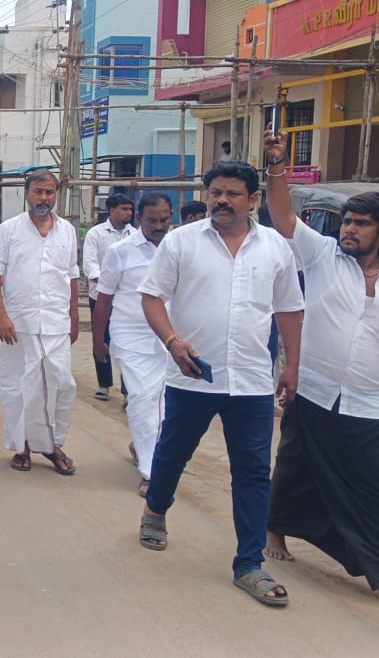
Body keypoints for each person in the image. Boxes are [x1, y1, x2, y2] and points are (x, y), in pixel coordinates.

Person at [258, 133, 379, 606]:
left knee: (376, 487)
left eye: (362, 224)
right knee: (296, 466)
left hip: (368, 401)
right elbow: (282, 216)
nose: (350, 230)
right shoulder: (321, 255)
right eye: (348, 222)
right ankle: (274, 528)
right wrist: (277, 167)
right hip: (314, 390)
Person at [135, 160, 304, 608]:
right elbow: (151, 297)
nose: (222, 201)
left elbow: (289, 309)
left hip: (251, 380)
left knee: (252, 471)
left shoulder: (275, 248)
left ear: (253, 200)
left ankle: (249, 563)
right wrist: (172, 342)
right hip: (192, 374)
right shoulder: (181, 242)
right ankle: (156, 507)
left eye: (233, 194)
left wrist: (292, 365)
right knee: (173, 452)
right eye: (216, 193)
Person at [0, 170, 80, 475]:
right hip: (18, 322)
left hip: (56, 321)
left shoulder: (67, 231)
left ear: (56, 194)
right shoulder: (8, 230)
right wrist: (0, 316)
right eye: (38, 191)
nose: (44, 198)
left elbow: (72, 276)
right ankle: (23, 446)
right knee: (19, 386)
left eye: (49, 192)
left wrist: (74, 317)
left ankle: (51, 444)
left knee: (61, 383)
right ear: (26, 193)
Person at [92, 194, 173, 497]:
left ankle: (146, 448)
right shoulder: (120, 251)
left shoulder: (178, 247)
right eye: (152, 220)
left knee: (164, 407)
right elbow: (104, 299)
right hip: (131, 336)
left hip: (170, 338)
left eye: (164, 219)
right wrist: (98, 341)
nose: (158, 226)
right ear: (139, 219)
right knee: (140, 398)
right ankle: (151, 473)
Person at [82, 192, 136, 402]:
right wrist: (106, 283)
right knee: (101, 338)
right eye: (124, 209)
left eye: (130, 209)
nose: (128, 213)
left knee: (127, 341)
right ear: (112, 210)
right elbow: (90, 263)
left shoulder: (134, 235)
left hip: (126, 297)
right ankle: (104, 385)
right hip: (100, 295)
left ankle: (128, 390)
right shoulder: (96, 234)